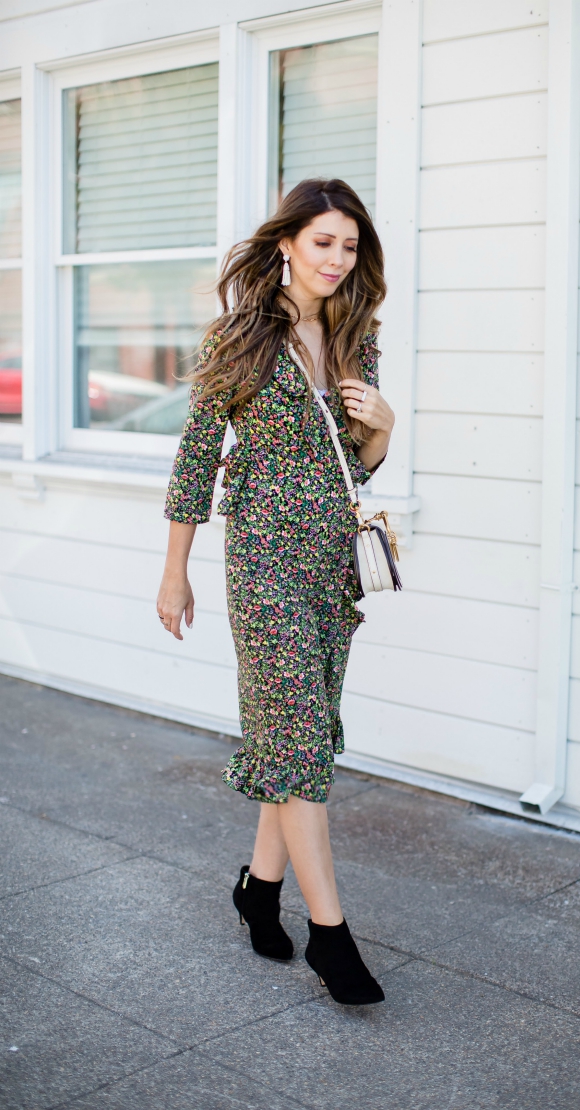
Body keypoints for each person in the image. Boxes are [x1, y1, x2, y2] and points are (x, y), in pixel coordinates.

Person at [156, 179, 394, 1006]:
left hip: (331, 562)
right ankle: (332, 939)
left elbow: (353, 464)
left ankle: (259, 888)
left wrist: (386, 425)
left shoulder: (358, 338)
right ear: (287, 243)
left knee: (300, 737)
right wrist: (174, 567)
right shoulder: (244, 336)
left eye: (350, 246)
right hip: (262, 563)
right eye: (322, 242)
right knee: (295, 738)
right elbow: (195, 456)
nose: (336, 259)